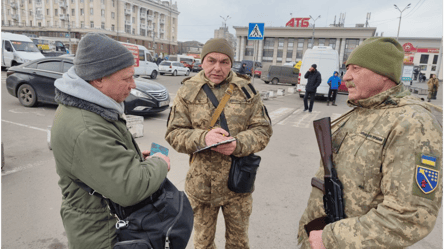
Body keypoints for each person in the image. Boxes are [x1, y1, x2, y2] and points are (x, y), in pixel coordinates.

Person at [298, 37, 443, 249]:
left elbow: (410, 217)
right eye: (347, 68)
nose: (346, 76)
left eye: (355, 68)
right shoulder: (364, 109)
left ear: (384, 74)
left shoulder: (413, 124)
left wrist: (330, 238)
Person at [51, 33, 170, 249]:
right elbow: (130, 187)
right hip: (101, 234)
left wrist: (131, 158)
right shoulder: (86, 127)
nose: (133, 85)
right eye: (126, 78)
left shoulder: (89, 105)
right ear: (98, 79)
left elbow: (100, 160)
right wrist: (161, 162)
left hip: (104, 222)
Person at [165, 38, 273, 249]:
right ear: (202, 61)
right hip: (201, 186)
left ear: (231, 63)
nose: (217, 67)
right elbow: (173, 133)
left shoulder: (246, 91)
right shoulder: (187, 91)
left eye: (224, 62)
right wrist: (202, 138)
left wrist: (238, 144)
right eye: (211, 60)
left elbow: (263, 130)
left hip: (238, 185)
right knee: (203, 244)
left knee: (238, 244)